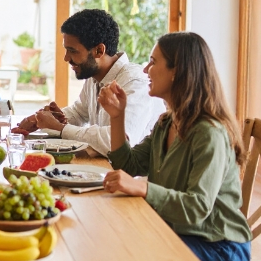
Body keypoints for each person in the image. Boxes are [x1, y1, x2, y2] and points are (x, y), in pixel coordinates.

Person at [98, 32, 252, 261]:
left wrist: (143, 188)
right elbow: (128, 164)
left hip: (218, 246)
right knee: (114, 244)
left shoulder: (208, 133)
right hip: (178, 231)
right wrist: (117, 117)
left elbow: (197, 208)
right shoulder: (167, 122)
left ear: (176, 71)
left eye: (153, 62)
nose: (146, 69)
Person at [15, 9, 164, 156]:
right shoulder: (95, 76)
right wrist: (41, 119)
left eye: (72, 51)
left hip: (134, 178)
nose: (66, 58)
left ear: (99, 51)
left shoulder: (135, 83)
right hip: (107, 170)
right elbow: (79, 113)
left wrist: (61, 128)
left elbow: (118, 144)